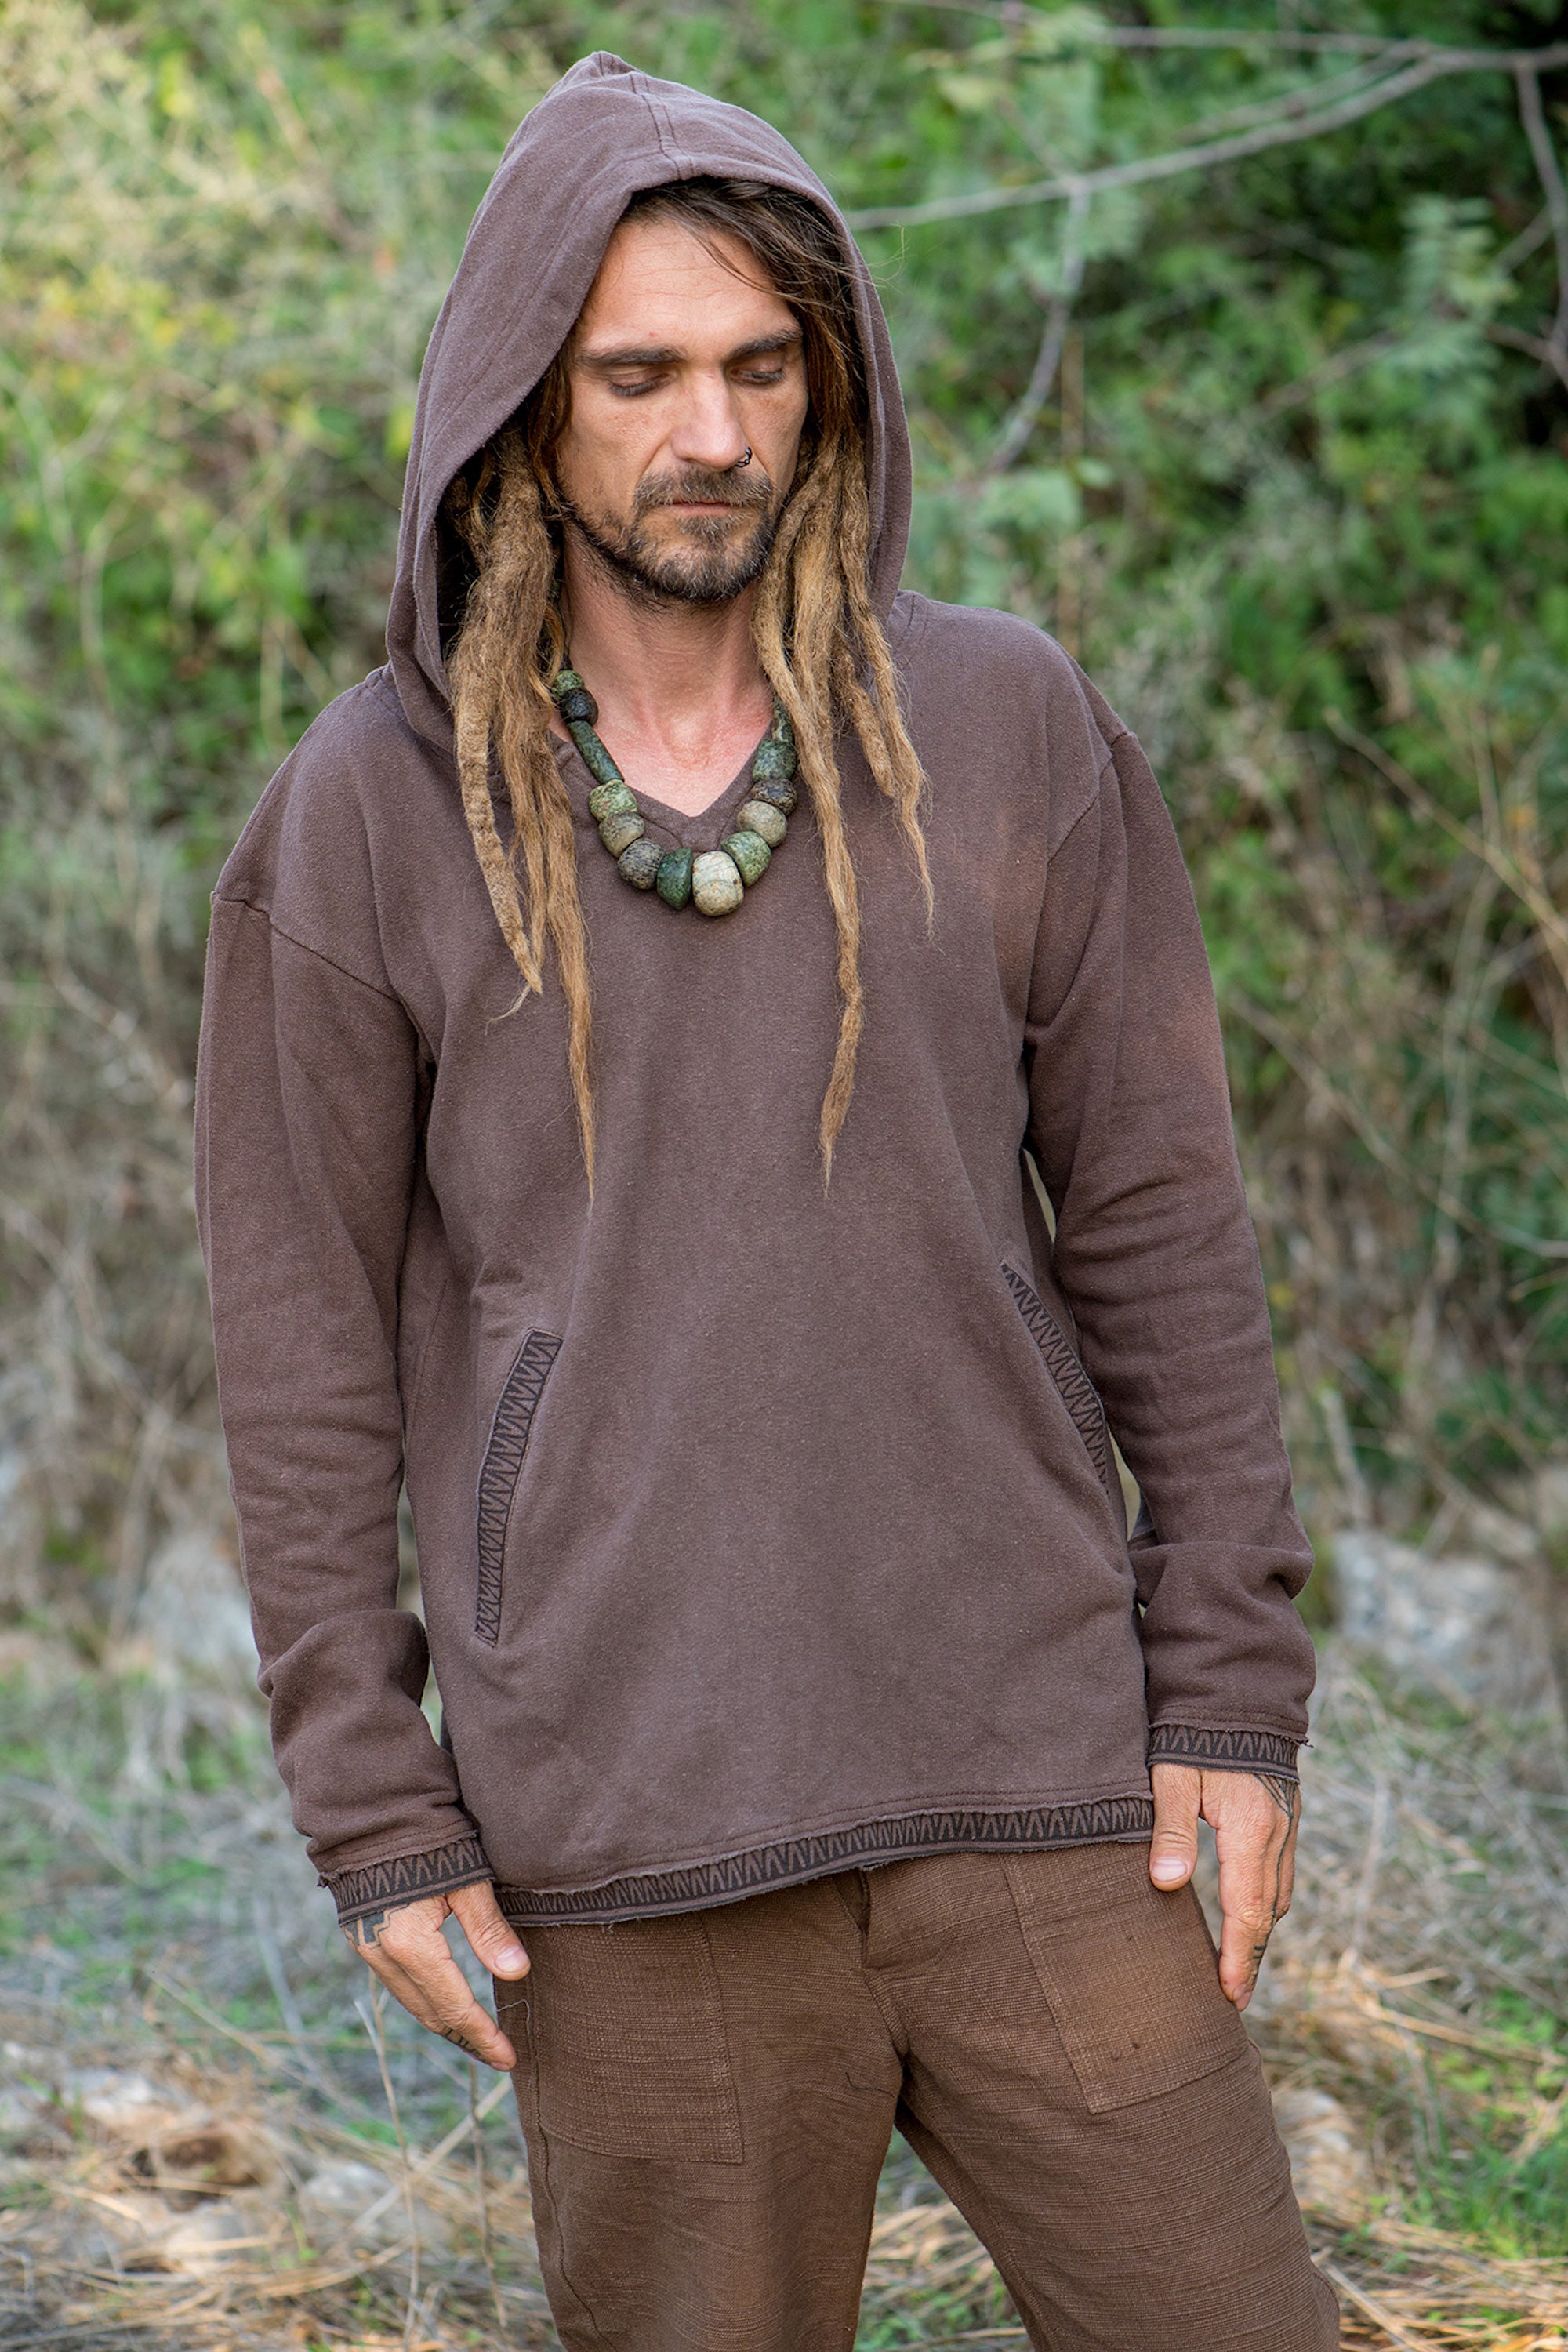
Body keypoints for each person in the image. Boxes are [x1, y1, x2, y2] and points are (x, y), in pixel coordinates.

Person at [196, 51, 1338, 2352]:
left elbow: (1160, 1228)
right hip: (628, 1828)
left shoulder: (1002, 729)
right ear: (524, 406)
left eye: (759, 366)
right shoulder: (372, 815)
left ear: (831, 383)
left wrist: (1228, 1687)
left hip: (1043, 1777)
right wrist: (375, 1805)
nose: (708, 432)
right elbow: (299, 1349)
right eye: (636, 376)